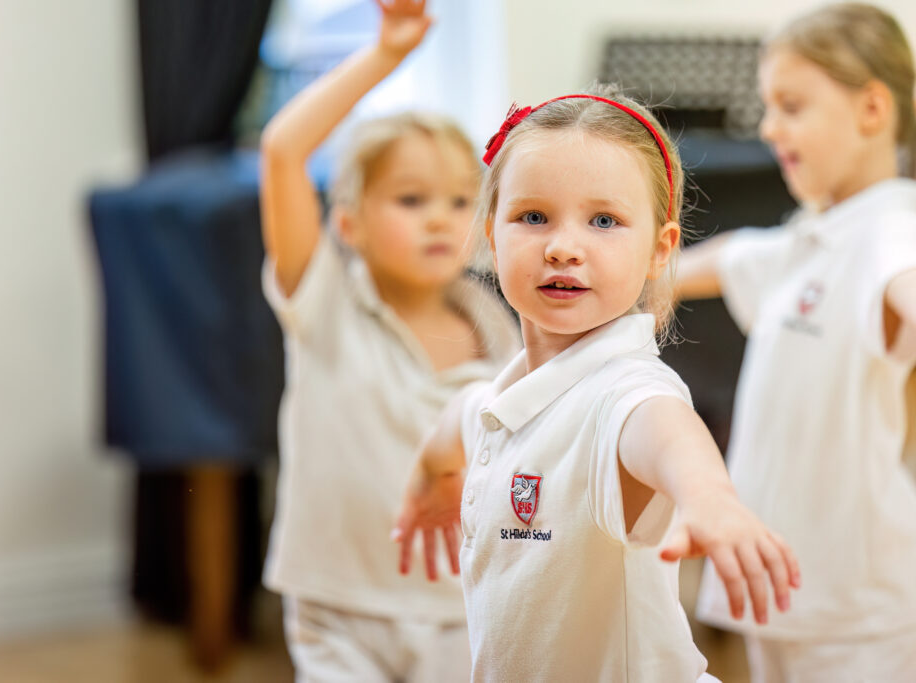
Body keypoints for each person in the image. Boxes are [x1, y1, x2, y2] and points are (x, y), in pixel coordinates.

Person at [393, 87, 801, 681]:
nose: (563, 247)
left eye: (604, 221)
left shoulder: (625, 394)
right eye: (533, 217)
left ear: (660, 250)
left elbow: (666, 431)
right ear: (491, 235)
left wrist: (710, 498)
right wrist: (430, 477)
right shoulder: (496, 400)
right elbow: (458, 419)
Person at [258, 1, 520, 680]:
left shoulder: (498, 326)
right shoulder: (325, 305)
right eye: (411, 200)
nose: (440, 218)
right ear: (349, 224)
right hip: (337, 607)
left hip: (463, 605)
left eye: (461, 201)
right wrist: (386, 55)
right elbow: (283, 151)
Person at [674, 4, 916, 680]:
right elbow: (730, 256)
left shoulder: (891, 230)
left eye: (791, 104)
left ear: (872, 108)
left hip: (856, 614)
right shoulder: (809, 239)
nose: (769, 127)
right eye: (767, 106)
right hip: (786, 592)